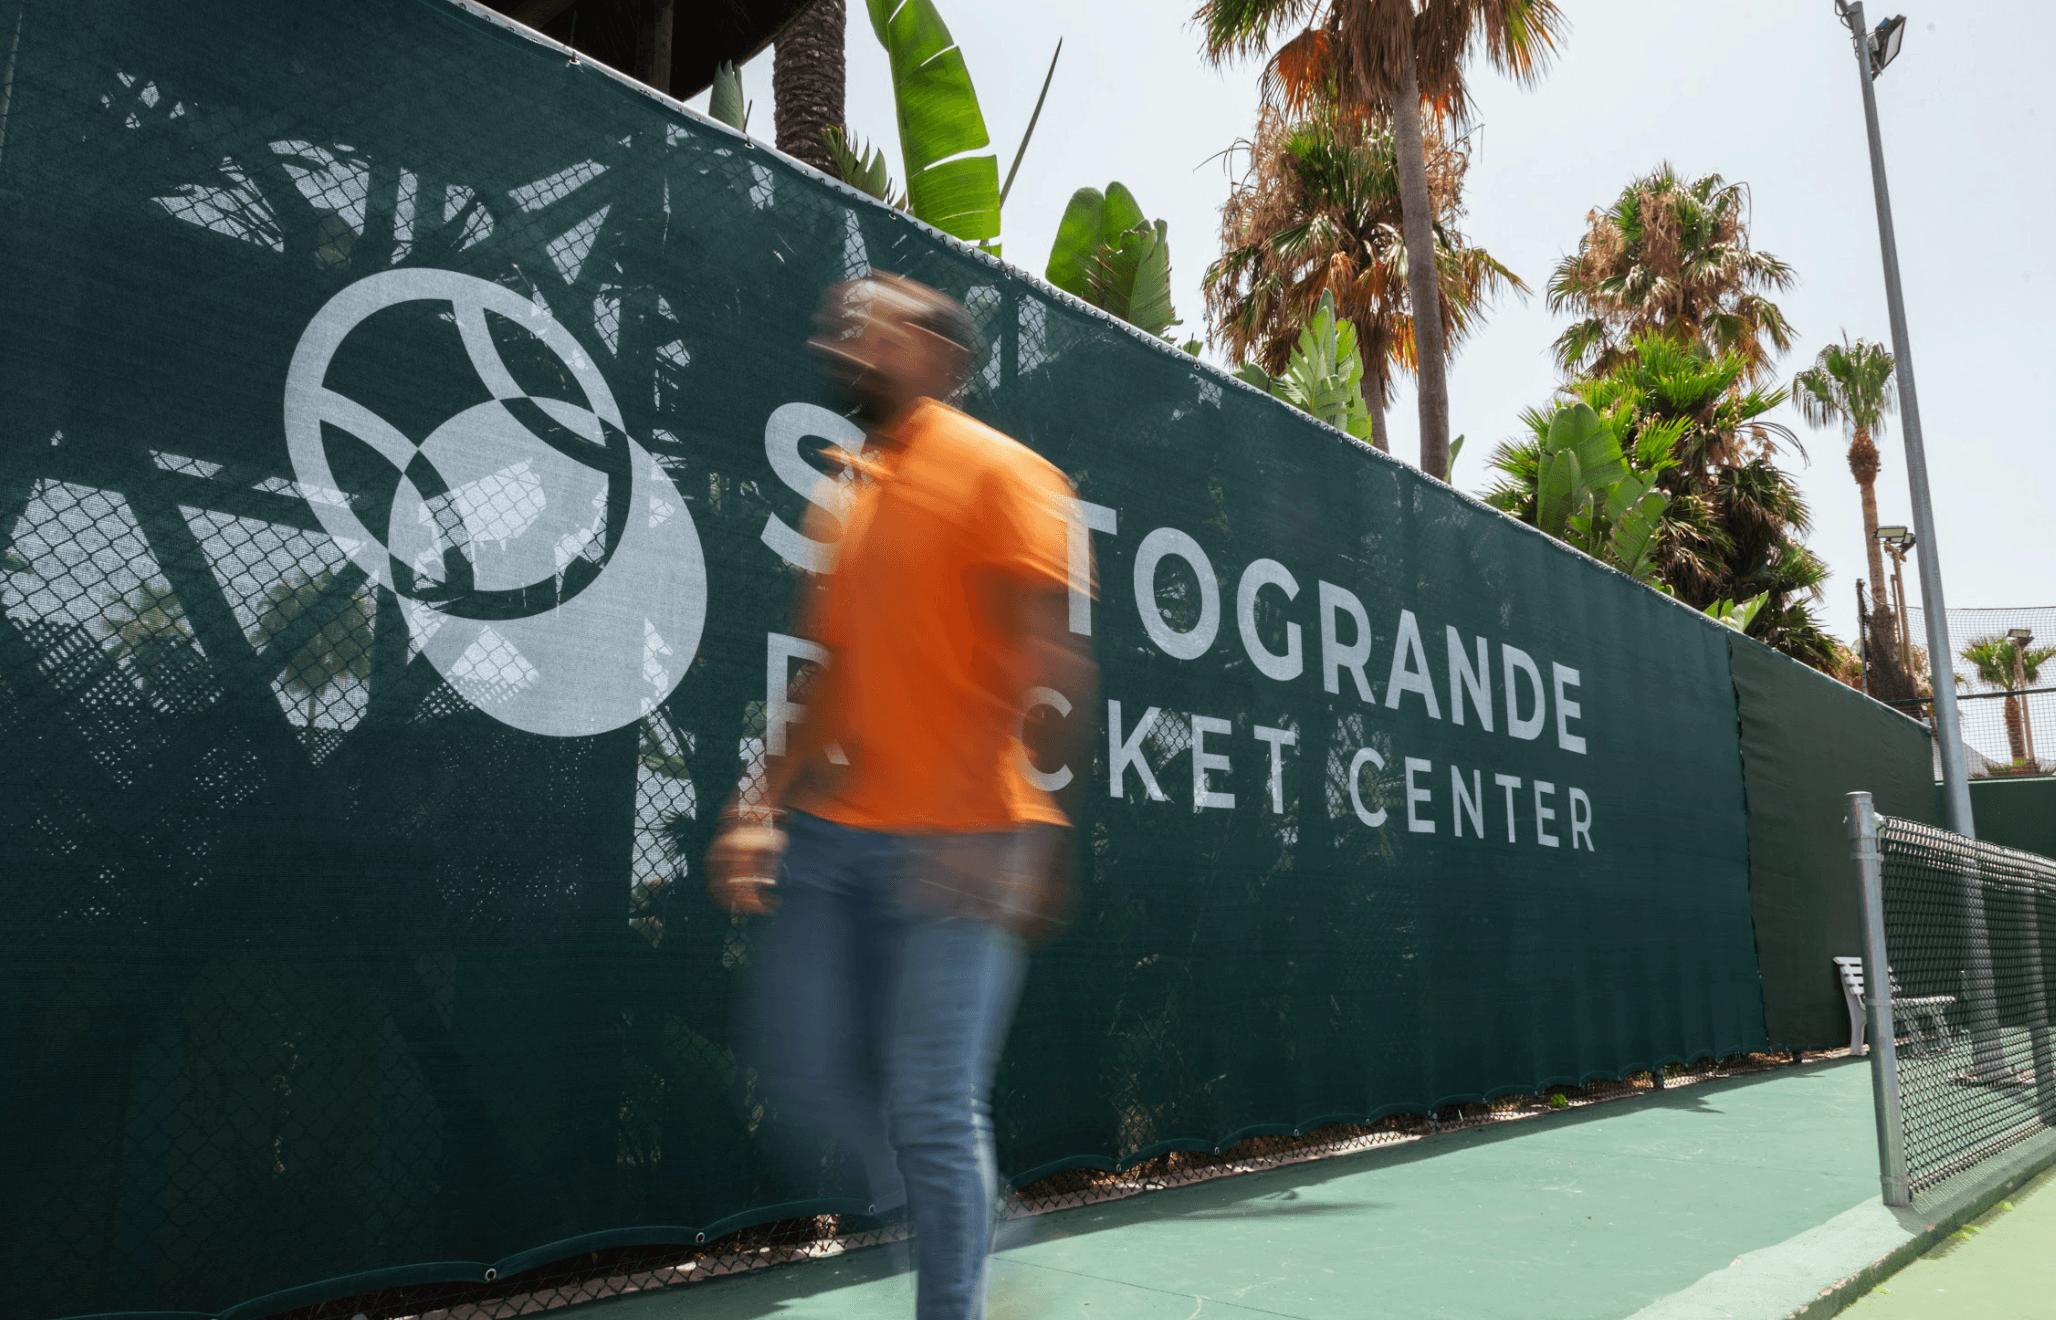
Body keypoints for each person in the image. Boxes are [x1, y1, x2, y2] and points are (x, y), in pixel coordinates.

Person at [706, 273, 1095, 1320]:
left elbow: (1046, 652)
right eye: (844, 321)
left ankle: (952, 1283)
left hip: (967, 838)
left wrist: (1002, 830)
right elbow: (828, 680)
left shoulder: (1005, 473)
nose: (850, 334)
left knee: (931, 1107)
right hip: (837, 846)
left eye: (879, 322)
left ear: (937, 353)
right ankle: (966, 1213)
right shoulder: (848, 493)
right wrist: (759, 804)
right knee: (798, 1071)